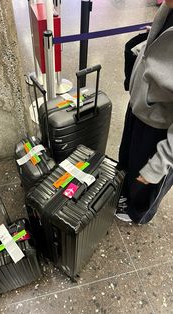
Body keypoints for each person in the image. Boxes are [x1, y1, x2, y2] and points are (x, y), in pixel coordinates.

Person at [115, 0, 173, 224]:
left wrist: (158, 167)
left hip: (160, 124)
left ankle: (138, 214)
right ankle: (126, 195)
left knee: (146, 180)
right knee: (129, 162)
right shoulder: (167, 6)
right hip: (140, 106)